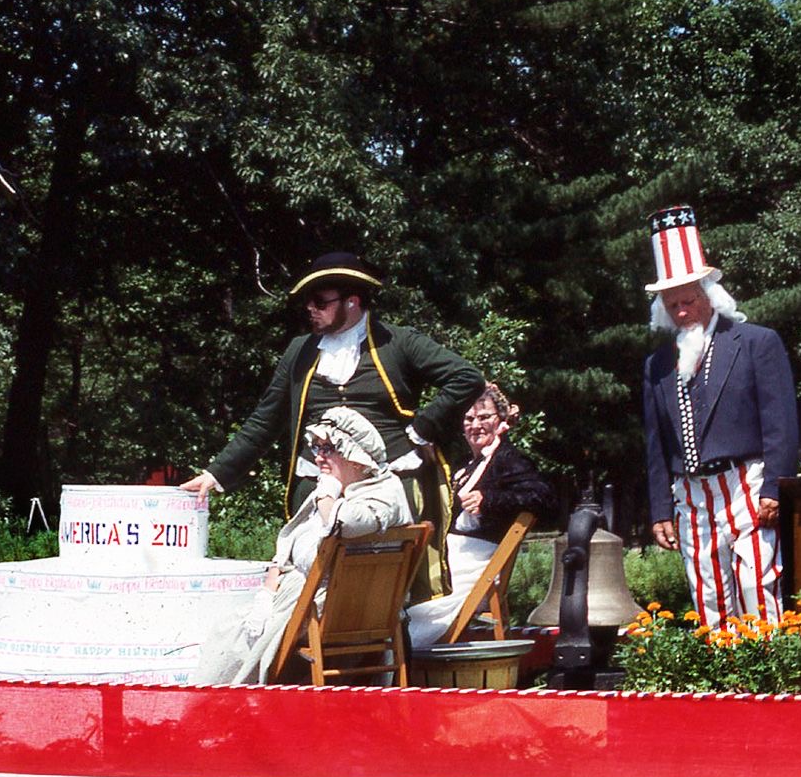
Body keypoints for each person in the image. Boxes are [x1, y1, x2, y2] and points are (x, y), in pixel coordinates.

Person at [180, 251, 484, 598]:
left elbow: (466, 377)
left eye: (320, 301)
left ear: (352, 301)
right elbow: (266, 419)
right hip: (317, 487)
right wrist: (216, 473)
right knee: (309, 583)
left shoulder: (399, 342)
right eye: (308, 302)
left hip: (390, 486)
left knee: (395, 587)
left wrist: (422, 428)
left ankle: (399, 649)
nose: (311, 308)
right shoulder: (299, 352)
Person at [642, 205, 799, 629]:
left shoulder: (756, 343)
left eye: (688, 300)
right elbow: (656, 443)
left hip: (746, 482)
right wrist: (660, 510)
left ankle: (768, 680)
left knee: (756, 582)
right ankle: (722, 683)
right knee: (707, 591)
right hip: (691, 495)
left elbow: (780, 421)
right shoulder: (657, 365)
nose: (681, 312)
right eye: (671, 304)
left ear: (709, 295)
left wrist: (775, 487)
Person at [193, 407, 413, 685]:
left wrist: (327, 492)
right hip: (310, 602)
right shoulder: (337, 488)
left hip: (330, 612)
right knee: (232, 627)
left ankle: (219, 711)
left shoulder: (380, 494)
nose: (318, 456)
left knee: (231, 637)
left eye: (329, 449)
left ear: (356, 457)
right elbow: (287, 548)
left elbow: (346, 523)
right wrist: (266, 593)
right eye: (316, 448)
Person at [406, 384, 555, 649]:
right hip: (453, 553)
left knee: (416, 593)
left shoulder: (508, 459)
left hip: (475, 561)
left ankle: (401, 654)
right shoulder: (465, 464)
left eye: (485, 417)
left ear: (501, 422)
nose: (476, 425)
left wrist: (489, 501)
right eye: (469, 419)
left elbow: (544, 497)